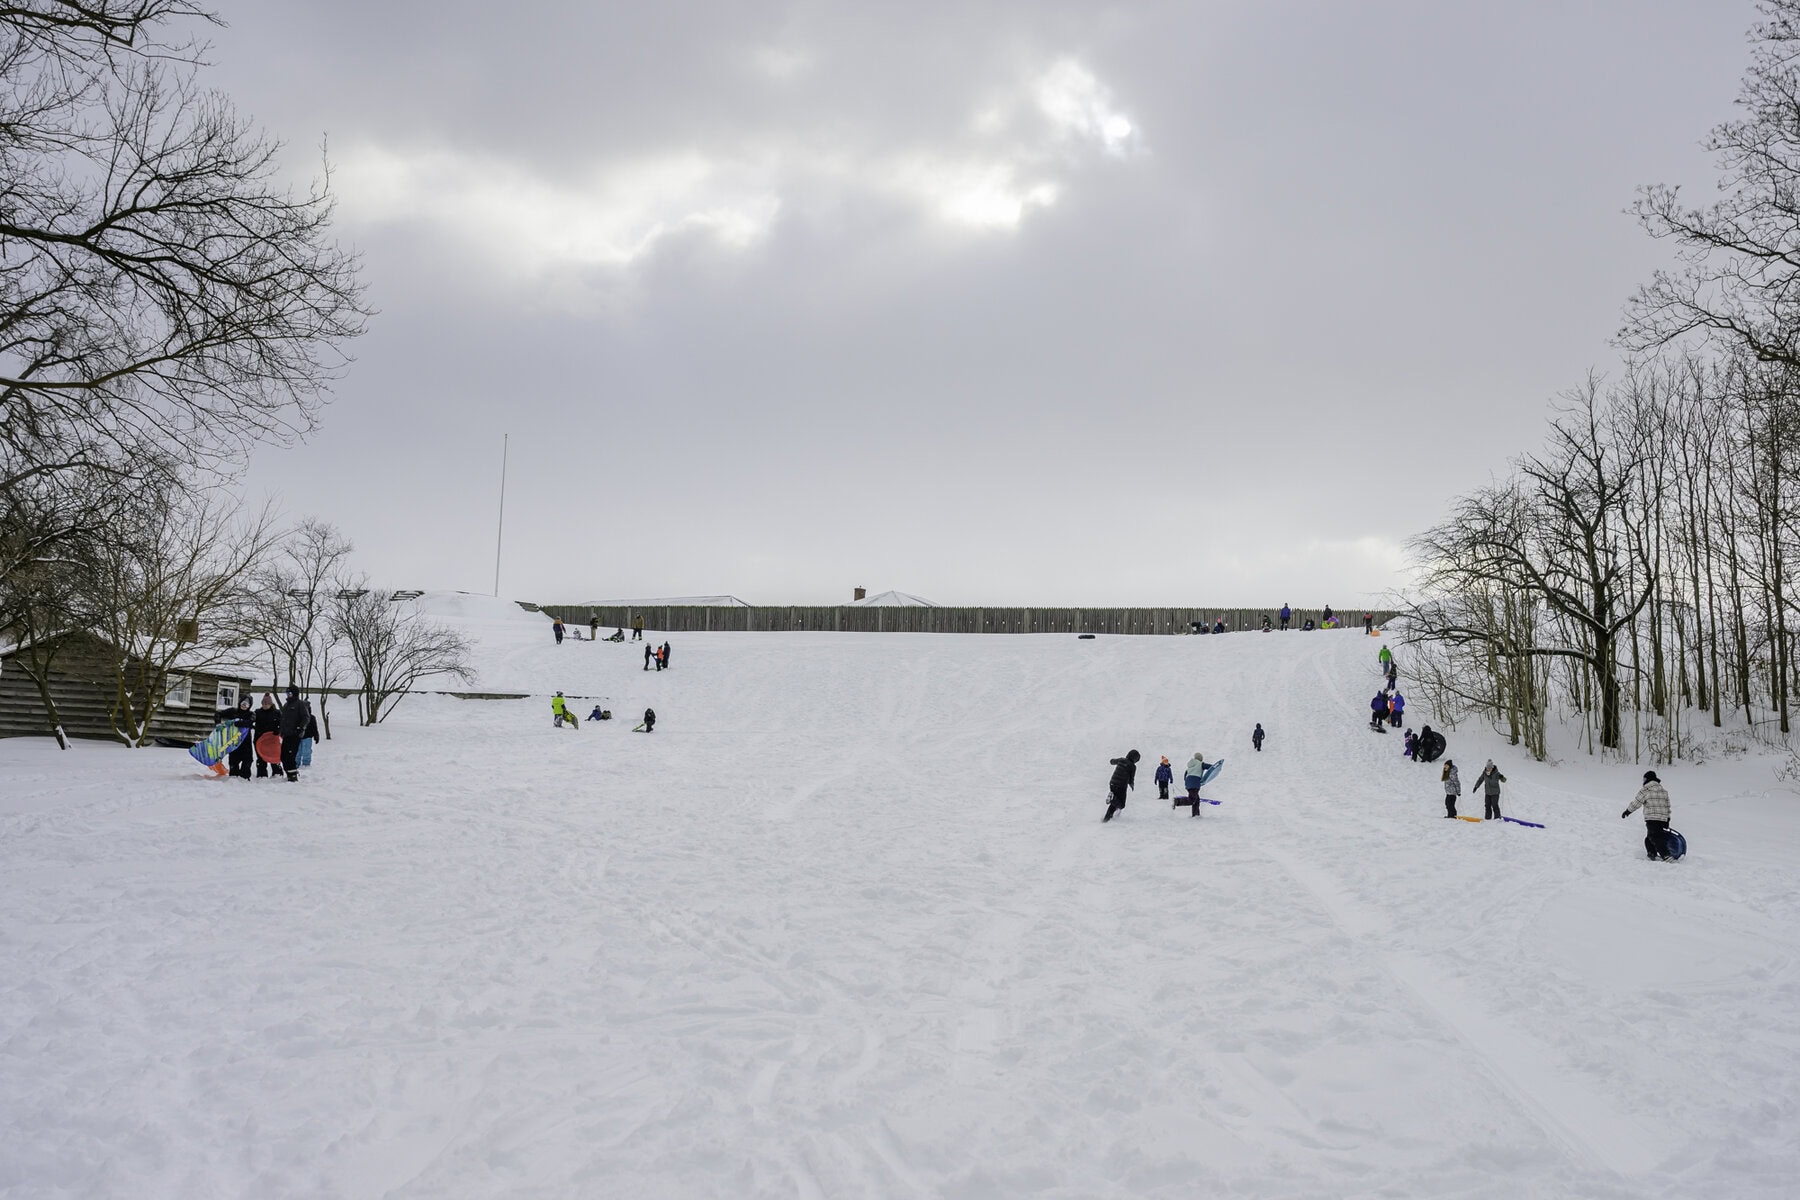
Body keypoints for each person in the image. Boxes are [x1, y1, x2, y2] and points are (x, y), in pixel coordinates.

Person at [1622, 770, 1673, 860]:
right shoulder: (1663, 791)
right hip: (1663, 819)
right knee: (1650, 837)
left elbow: (1637, 802)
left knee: (1655, 837)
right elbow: (1667, 805)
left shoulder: (1646, 789)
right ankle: (1651, 854)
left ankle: (1666, 855)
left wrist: (1628, 811)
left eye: (1644, 779)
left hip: (1652, 818)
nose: (1643, 781)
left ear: (1647, 779)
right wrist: (1667, 818)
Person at [278, 684, 309, 781]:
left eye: (289, 693)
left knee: (290, 756)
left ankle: (293, 776)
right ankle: (289, 772)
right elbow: (283, 719)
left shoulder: (300, 704)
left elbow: (306, 717)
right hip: (286, 734)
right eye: (287, 693)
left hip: (295, 734)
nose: (288, 695)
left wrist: (301, 728)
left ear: (294, 694)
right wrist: (280, 730)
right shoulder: (286, 705)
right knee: (283, 756)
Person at [222, 695, 255, 779]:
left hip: (246, 742)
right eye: (243, 703)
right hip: (234, 741)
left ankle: (244, 779)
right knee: (233, 762)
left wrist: (236, 722)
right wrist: (218, 723)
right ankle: (233, 777)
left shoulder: (251, 714)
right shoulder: (233, 711)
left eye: (247, 704)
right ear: (240, 703)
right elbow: (218, 714)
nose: (244, 706)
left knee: (247, 762)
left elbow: (249, 722)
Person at [1103, 749, 1139, 822]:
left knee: (1114, 804)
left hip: (1112, 783)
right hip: (1121, 786)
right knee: (1121, 804)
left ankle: (1106, 820)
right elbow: (1131, 778)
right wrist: (1132, 785)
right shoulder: (1132, 766)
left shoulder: (1121, 760)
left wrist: (1111, 761)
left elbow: (1112, 761)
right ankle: (1112, 798)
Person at [253, 692, 282, 778]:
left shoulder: (277, 713)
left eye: (267, 704)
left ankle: (277, 773)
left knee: (274, 757)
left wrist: (278, 730)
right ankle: (262, 775)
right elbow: (251, 720)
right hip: (259, 739)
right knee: (261, 758)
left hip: (272, 740)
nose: (265, 705)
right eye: (263, 703)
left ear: (271, 704)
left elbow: (282, 723)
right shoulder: (257, 712)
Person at [1181, 751, 1210, 816]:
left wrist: (1187, 783)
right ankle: (1177, 801)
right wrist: (1216, 766)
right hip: (1195, 783)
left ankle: (1196, 815)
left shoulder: (1190, 767)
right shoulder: (1200, 764)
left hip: (1189, 783)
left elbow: (1185, 775)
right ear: (1200, 759)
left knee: (1196, 800)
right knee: (1192, 800)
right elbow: (1210, 767)